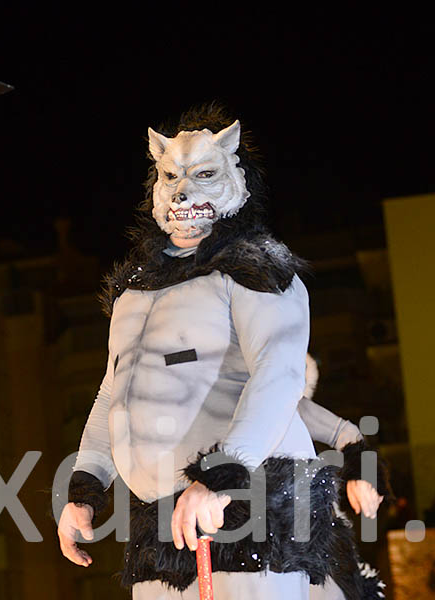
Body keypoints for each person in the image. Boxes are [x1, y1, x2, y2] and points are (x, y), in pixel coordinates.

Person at [56, 106, 375, 599]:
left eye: (204, 175)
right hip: (158, 519)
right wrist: (86, 489)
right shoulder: (133, 294)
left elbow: (279, 375)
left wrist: (221, 477)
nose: (183, 191)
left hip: (250, 505)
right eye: (171, 176)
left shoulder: (256, 271)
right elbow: (112, 394)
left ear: (235, 179)